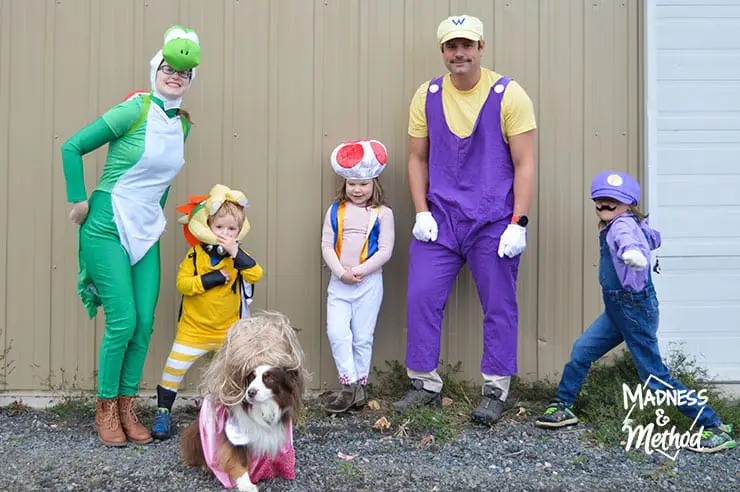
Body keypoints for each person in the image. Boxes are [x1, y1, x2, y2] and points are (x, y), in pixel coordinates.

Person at [392, 14, 537, 426]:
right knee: (421, 296)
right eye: (451, 46)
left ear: (480, 48)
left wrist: (518, 222)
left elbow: (524, 164)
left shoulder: (509, 95)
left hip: (493, 220)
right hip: (441, 219)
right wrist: (421, 212)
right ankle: (424, 384)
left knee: (499, 304)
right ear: (442, 51)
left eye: (467, 45)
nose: (459, 53)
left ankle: (496, 388)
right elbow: (417, 157)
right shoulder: (427, 95)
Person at [61, 25, 201, 446]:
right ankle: (105, 409)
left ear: (190, 80)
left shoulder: (184, 126)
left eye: (183, 72)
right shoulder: (134, 110)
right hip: (105, 223)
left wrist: (159, 215)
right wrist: (79, 199)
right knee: (121, 322)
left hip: (145, 229)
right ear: (156, 68)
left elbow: (161, 180)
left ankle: (126, 407)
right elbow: (72, 146)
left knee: (143, 324)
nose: (175, 76)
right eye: (168, 68)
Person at [535, 171, 736, 454]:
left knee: (654, 378)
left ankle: (714, 426)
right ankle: (563, 406)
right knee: (582, 350)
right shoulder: (626, 223)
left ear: (628, 204)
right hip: (617, 311)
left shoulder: (622, 226)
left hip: (634, 310)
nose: (605, 203)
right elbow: (649, 238)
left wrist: (632, 253)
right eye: (601, 199)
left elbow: (629, 241)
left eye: (613, 200)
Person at [150, 184, 264, 440]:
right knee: (173, 371)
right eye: (219, 227)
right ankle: (163, 411)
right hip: (193, 330)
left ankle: (218, 414)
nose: (225, 233)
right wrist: (209, 279)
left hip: (227, 332)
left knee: (223, 377)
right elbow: (183, 284)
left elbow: (256, 273)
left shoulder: (238, 257)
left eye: (231, 229)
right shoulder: (194, 256)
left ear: (239, 230)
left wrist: (237, 254)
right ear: (209, 227)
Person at [320, 139, 395, 413]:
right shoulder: (335, 211)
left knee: (362, 336)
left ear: (374, 183)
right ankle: (348, 384)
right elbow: (327, 245)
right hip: (339, 284)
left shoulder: (383, 214)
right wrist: (341, 273)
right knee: (337, 332)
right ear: (345, 184)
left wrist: (360, 271)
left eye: (363, 184)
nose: (357, 189)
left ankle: (359, 390)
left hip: (369, 283)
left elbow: (385, 250)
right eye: (352, 184)